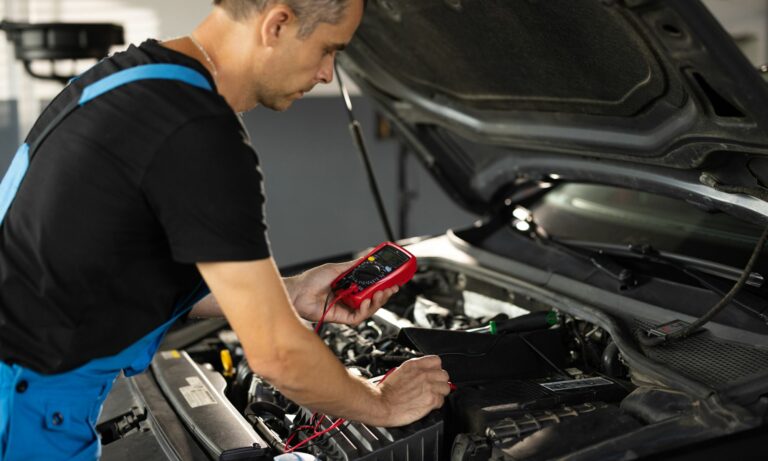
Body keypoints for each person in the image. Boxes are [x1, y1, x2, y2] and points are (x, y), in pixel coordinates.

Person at [0, 0, 451, 459]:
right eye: (327, 50)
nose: (327, 74)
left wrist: (288, 293)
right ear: (277, 24)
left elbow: (107, 266)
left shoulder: (127, 78)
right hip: (23, 407)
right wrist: (382, 402)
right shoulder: (198, 133)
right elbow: (278, 356)